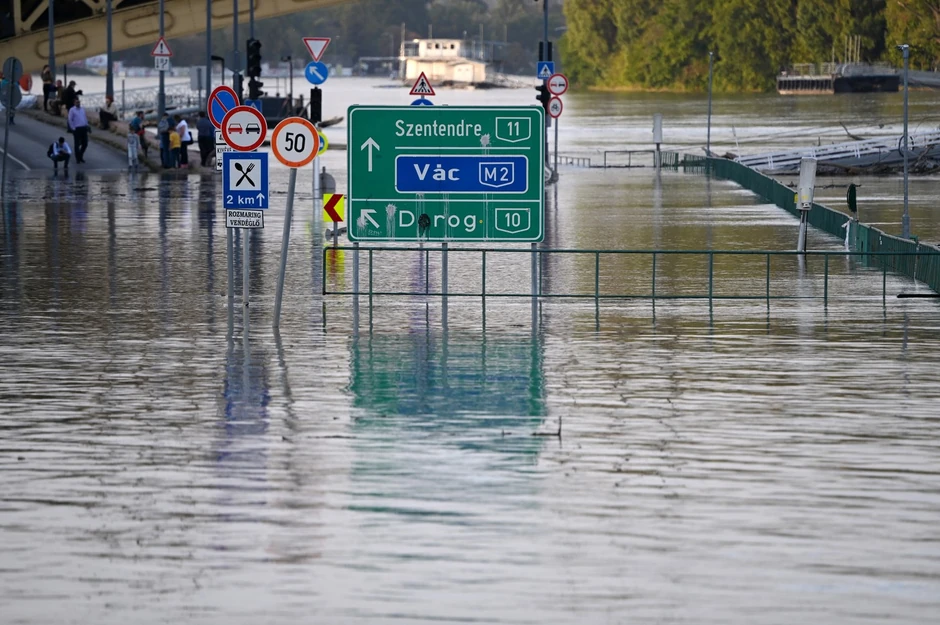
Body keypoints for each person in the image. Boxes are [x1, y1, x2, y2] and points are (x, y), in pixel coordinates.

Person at [67, 99, 90, 164]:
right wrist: (73, 128)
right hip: (77, 129)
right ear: (74, 103)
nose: (78, 103)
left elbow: (84, 118)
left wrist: (87, 125)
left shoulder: (82, 109)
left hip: (83, 128)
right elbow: (70, 119)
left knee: (85, 143)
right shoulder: (72, 110)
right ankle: (78, 158)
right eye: (77, 102)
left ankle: (80, 155)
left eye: (79, 102)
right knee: (77, 144)